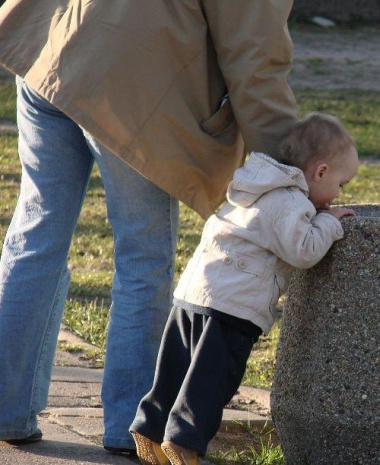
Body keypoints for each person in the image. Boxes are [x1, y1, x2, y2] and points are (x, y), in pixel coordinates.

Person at [0, 0, 297, 455]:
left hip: (50, 41)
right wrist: (286, 177)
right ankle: (129, 427)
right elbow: (255, 60)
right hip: (129, 83)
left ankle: (6, 409)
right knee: (143, 255)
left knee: (36, 232)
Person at [128, 113, 359, 465]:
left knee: (177, 369)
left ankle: (149, 428)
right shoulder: (290, 201)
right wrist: (328, 222)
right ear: (321, 172)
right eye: (342, 184)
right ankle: (183, 444)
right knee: (210, 382)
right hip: (233, 308)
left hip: (193, 295)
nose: (338, 195)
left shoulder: (254, 184)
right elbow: (305, 250)